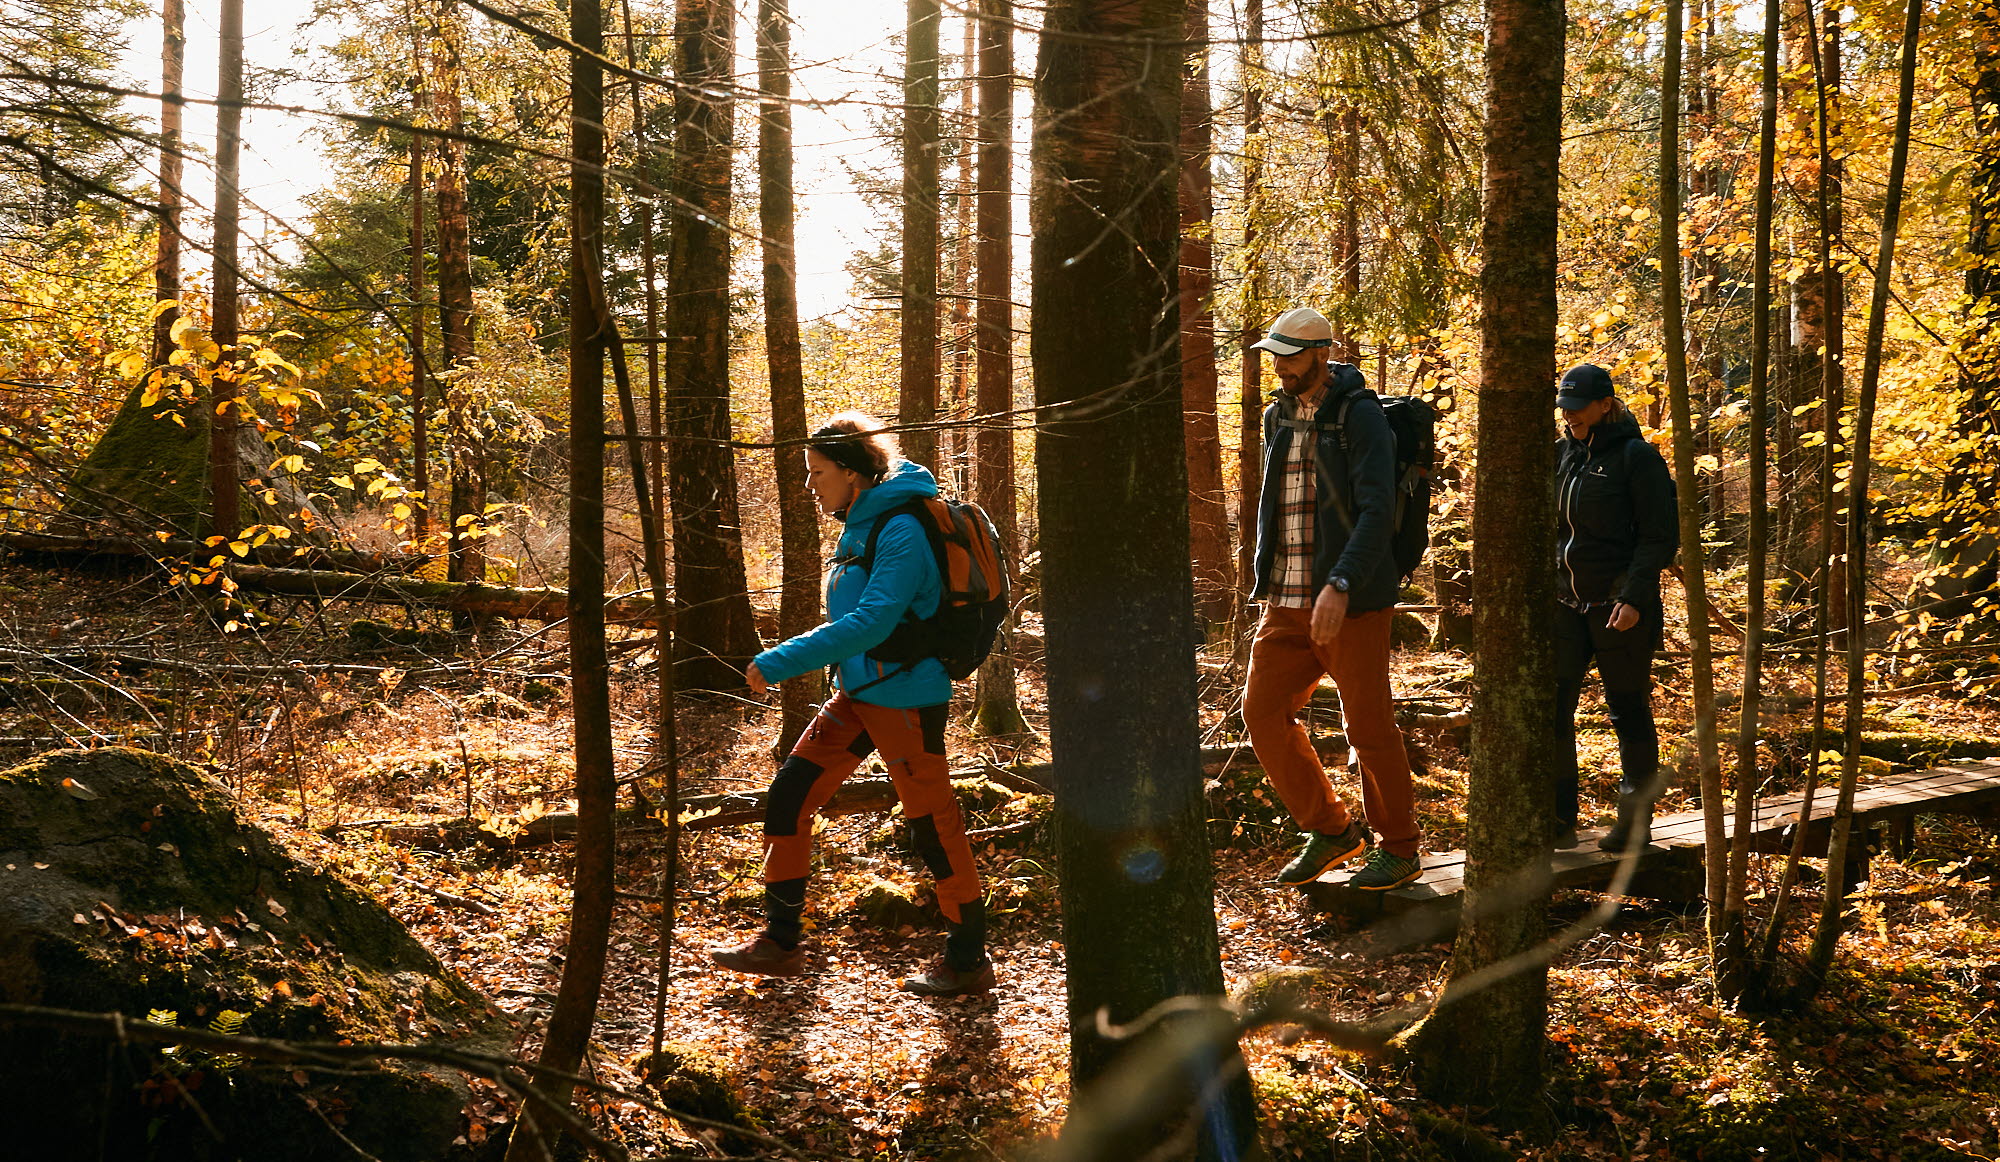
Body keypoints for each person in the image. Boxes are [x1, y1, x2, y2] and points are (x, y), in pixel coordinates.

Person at [711, 412, 993, 996]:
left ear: (852, 471)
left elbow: (870, 621)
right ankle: (781, 943)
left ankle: (968, 960)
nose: (812, 485)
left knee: (933, 828)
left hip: (907, 698)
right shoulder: (862, 523)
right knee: (788, 799)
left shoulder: (900, 529)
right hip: (860, 692)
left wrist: (778, 660)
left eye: (818, 472)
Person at [1243, 306, 1425, 891]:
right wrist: (1264, 579)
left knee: (1368, 727)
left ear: (1320, 354)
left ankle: (1399, 848)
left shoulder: (1359, 415)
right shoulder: (1278, 416)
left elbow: (1375, 511)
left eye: (1290, 356)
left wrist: (1341, 583)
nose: (1280, 366)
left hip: (1350, 600)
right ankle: (1331, 830)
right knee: (1263, 713)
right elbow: (1276, 506)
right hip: (1286, 597)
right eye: (1275, 356)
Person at [1552, 363, 1679, 852]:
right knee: (1553, 709)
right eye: (1564, 408)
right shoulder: (1561, 456)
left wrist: (1633, 597)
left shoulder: (1637, 458)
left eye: (1578, 407)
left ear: (1606, 404)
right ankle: (1558, 819)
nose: (1570, 416)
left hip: (1619, 606)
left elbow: (1658, 536)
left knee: (1627, 711)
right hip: (1565, 603)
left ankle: (1634, 823)